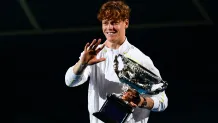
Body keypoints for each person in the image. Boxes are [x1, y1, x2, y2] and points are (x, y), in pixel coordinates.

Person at [65, 0, 168, 122]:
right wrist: (82, 64)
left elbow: (162, 101)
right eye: (105, 23)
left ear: (126, 23)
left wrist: (141, 101)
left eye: (114, 23)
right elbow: (70, 82)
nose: (109, 28)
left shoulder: (141, 59)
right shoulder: (93, 54)